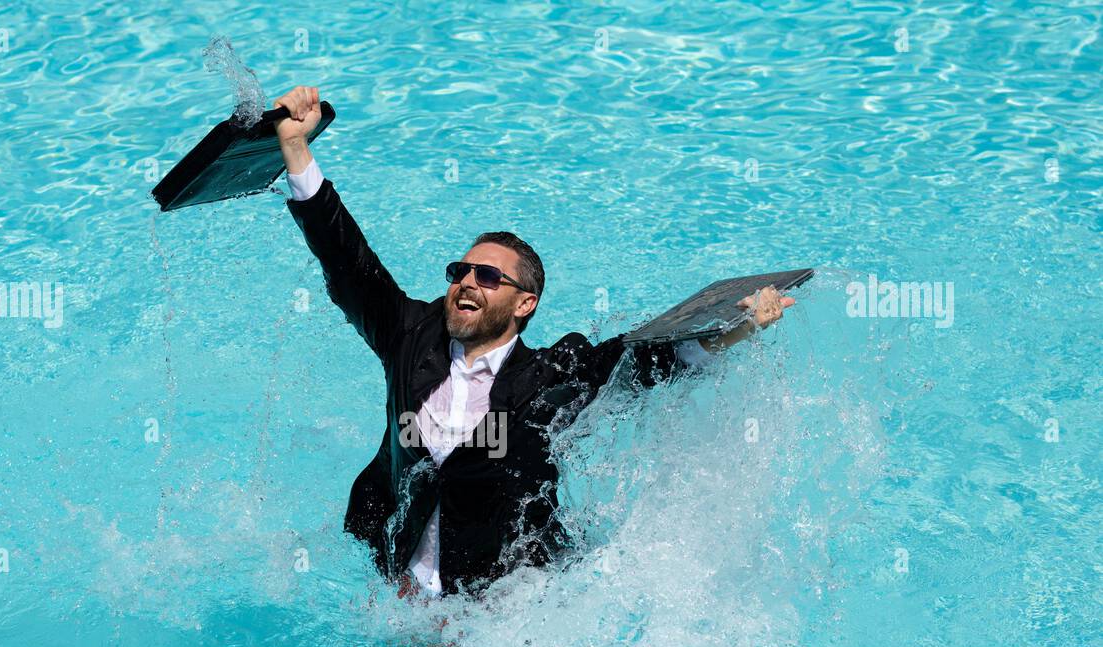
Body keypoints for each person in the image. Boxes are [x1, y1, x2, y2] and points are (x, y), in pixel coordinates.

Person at [274, 85, 794, 599]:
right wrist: (297, 149)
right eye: (462, 270)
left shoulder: (552, 375)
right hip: (395, 576)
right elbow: (348, 264)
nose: (468, 282)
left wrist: (740, 328)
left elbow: (643, 361)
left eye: (489, 276)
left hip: (493, 599)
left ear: (525, 304)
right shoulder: (410, 334)